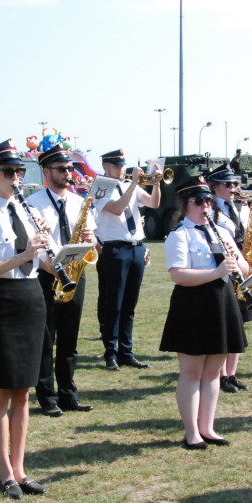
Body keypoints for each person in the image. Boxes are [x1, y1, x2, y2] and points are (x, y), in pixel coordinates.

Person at [0, 140, 49, 500]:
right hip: (3, 301)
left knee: (24, 391)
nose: (16, 178)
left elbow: (42, 262)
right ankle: (5, 473)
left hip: (32, 298)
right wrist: (24, 255)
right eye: (8, 172)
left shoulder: (29, 212)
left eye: (19, 171)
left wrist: (62, 252)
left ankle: (21, 468)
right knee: (3, 389)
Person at [160, 176, 248, 449]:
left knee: (213, 373)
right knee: (191, 372)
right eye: (199, 202)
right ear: (186, 205)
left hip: (222, 302)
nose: (206, 206)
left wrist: (236, 255)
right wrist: (216, 272)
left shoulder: (222, 232)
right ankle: (191, 433)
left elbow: (244, 271)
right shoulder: (179, 235)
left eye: (209, 200)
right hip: (193, 304)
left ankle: (208, 428)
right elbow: (179, 275)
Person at [26, 145, 97, 417]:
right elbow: (34, 246)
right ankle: (47, 397)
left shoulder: (80, 202)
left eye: (70, 168)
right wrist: (52, 269)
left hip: (76, 274)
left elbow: (92, 243)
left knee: (70, 339)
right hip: (47, 275)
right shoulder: (33, 203)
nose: (68, 173)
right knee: (46, 339)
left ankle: (69, 394)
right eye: (62, 169)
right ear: (46, 171)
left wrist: (91, 239)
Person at [94, 149, 160, 371]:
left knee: (130, 304)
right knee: (113, 303)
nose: (121, 169)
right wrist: (132, 185)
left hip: (136, 248)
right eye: (116, 165)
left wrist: (157, 183)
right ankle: (110, 353)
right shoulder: (101, 187)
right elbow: (117, 208)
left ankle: (126, 351)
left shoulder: (128, 185)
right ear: (105, 166)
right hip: (115, 249)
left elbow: (153, 203)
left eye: (122, 165)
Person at [209, 163, 252, 393]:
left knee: (240, 321)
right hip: (224, 268)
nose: (233, 188)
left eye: (235, 184)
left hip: (243, 266)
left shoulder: (241, 208)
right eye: (228, 184)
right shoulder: (210, 211)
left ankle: (232, 373)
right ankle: (220, 376)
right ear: (215, 187)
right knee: (225, 324)